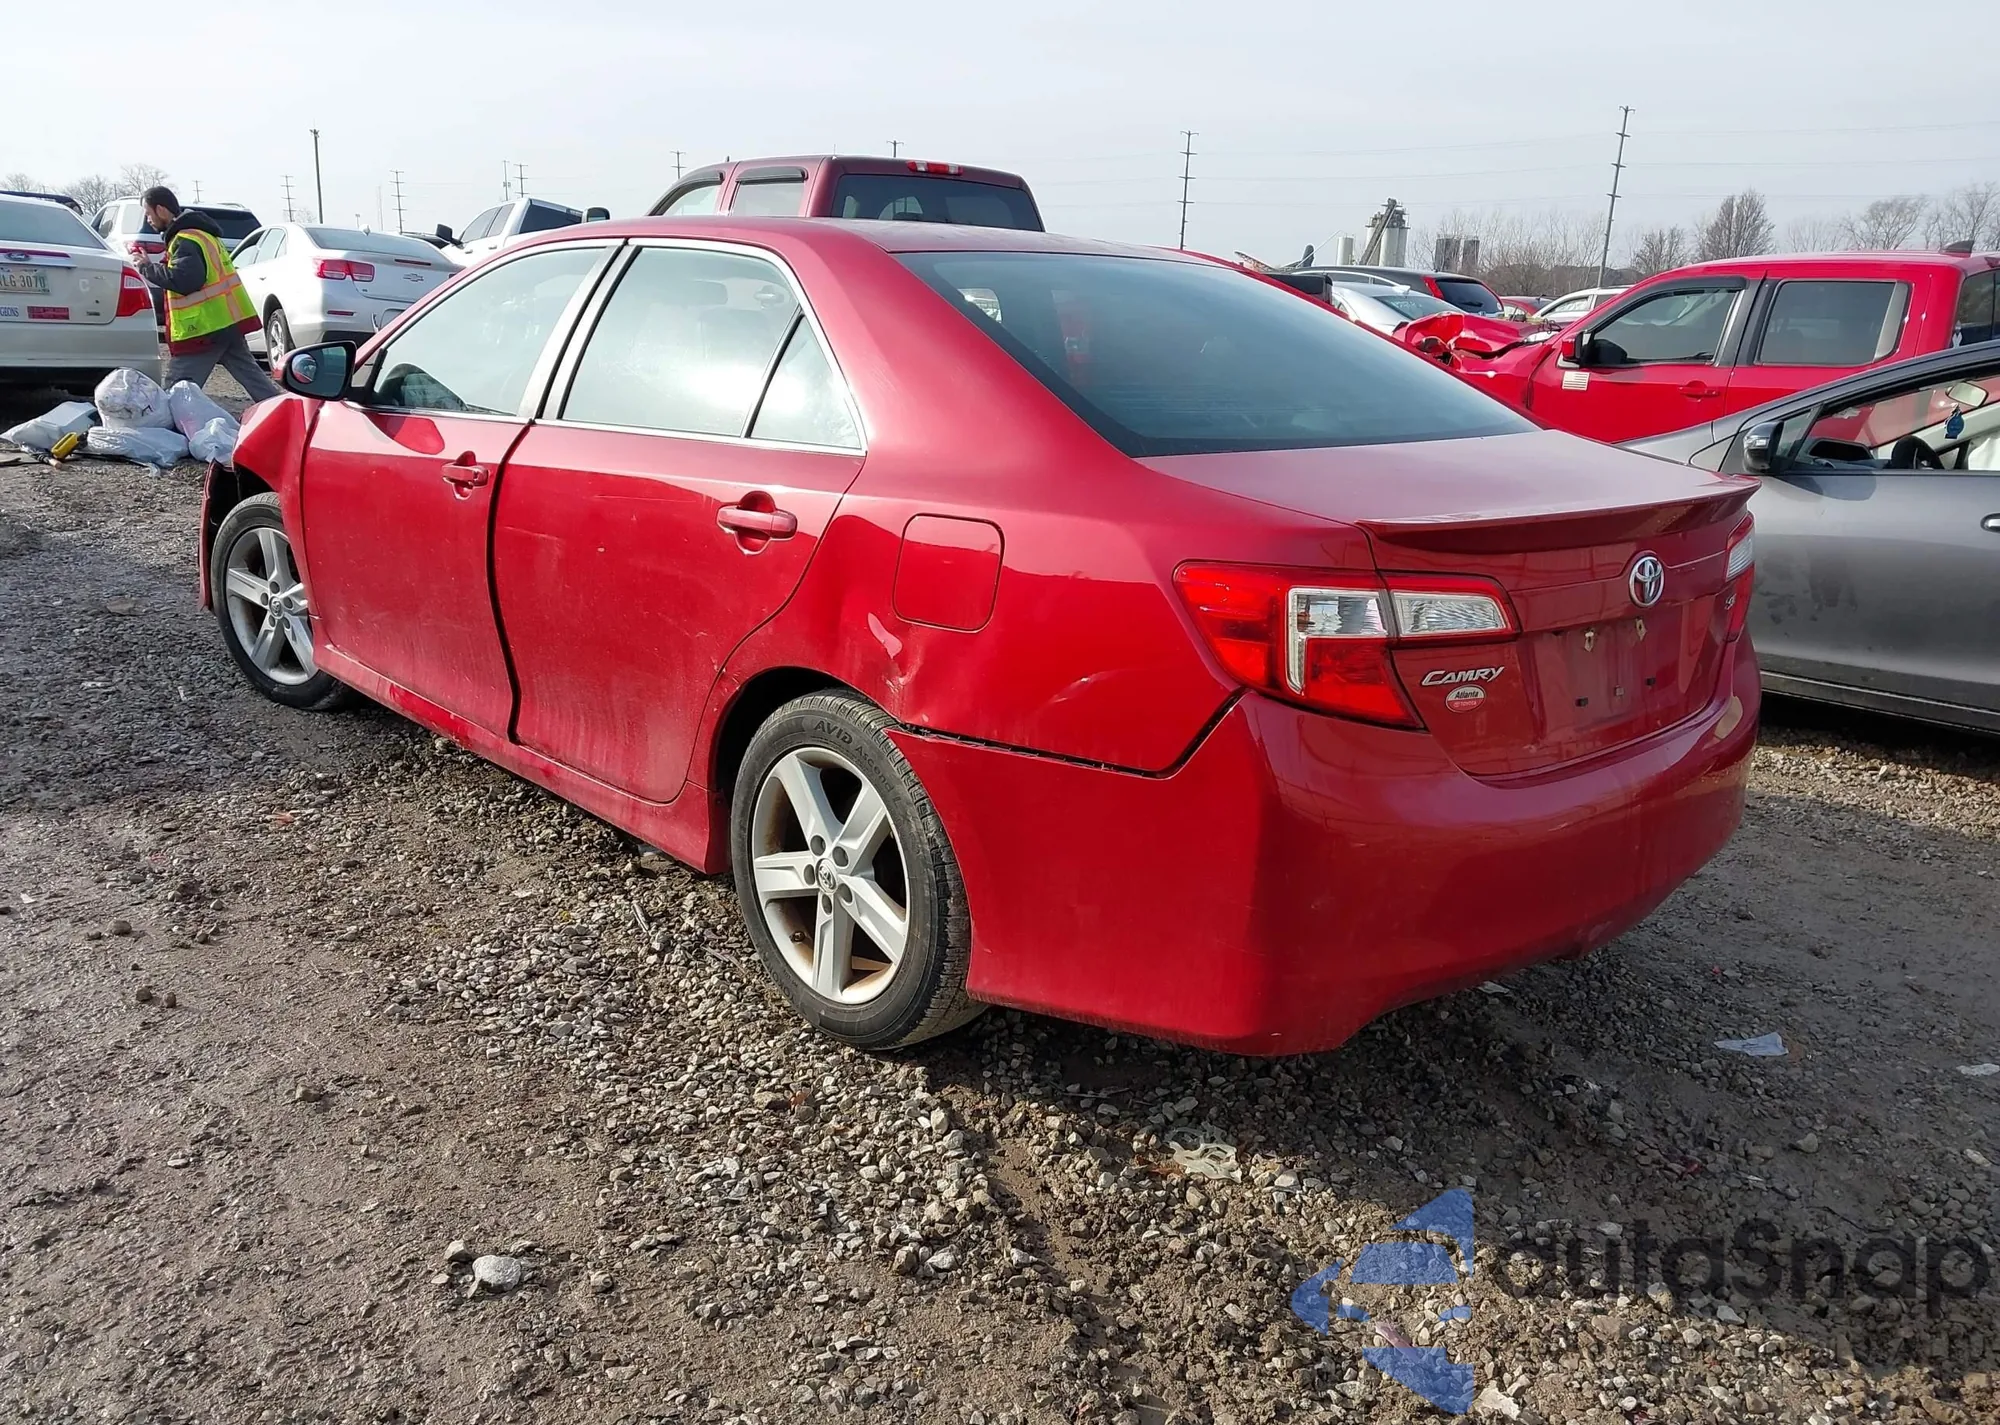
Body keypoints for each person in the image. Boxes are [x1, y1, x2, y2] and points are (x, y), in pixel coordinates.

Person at [132, 186, 280, 402]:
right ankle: (287, 414)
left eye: (148, 213)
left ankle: (163, 425)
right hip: (226, 322)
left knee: (176, 391)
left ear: (161, 210)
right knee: (255, 381)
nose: (148, 219)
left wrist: (146, 267)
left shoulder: (185, 239)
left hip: (204, 328)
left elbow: (185, 281)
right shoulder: (203, 234)